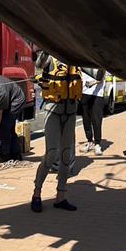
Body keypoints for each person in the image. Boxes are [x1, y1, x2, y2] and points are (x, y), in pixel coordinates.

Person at [30, 52, 82, 213]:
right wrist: (48, 46)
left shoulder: (76, 59)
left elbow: (99, 73)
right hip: (53, 110)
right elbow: (39, 63)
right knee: (51, 153)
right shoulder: (51, 57)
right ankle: (36, 194)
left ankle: (61, 196)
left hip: (71, 112)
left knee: (66, 155)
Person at [80, 67, 106, 155]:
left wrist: (92, 83)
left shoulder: (99, 60)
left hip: (97, 94)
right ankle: (89, 141)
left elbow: (101, 77)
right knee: (86, 120)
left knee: (97, 120)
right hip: (84, 93)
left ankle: (97, 144)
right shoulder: (83, 60)